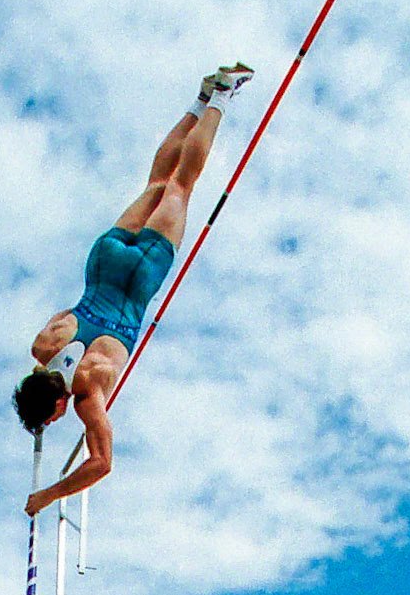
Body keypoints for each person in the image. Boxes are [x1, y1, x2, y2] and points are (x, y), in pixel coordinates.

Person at [15, 64, 255, 514]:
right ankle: (201, 99)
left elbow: (101, 464)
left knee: (183, 185)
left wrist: (46, 496)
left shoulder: (88, 393)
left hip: (141, 278)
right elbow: (57, 323)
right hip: (105, 263)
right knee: (159, 183)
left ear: (54, 409)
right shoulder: (43, 347)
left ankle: (221, 98)